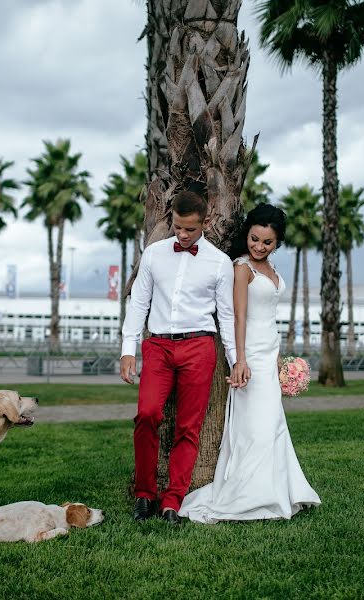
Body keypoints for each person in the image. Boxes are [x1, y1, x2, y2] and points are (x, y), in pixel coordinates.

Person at [179, 203, 321, 523]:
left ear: (277, 243)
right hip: (249, 357)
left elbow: (269, 316)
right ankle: (251, 497)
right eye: (254, 239)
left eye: (267, 242)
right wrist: (239, 360)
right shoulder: (242, 267)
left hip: (269, 355)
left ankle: (277, 492)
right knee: (255, 429)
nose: (258, 246)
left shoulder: (272, 270)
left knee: (272, 426)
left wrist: (279, 359)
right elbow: (238, 317)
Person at [120, 190, 243, 525]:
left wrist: (234, 361)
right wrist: (128, 350)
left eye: (190, 229)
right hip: (158, 346)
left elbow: (227, 316)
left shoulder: (218, 262)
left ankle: (172, 501)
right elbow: (139, 303)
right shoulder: (154, 254)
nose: (183, 235)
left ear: (204, 222)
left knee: (189, 428)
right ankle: (145, 495)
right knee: (147, 414)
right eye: (177, 227)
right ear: (170, 219)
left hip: (199, 347)